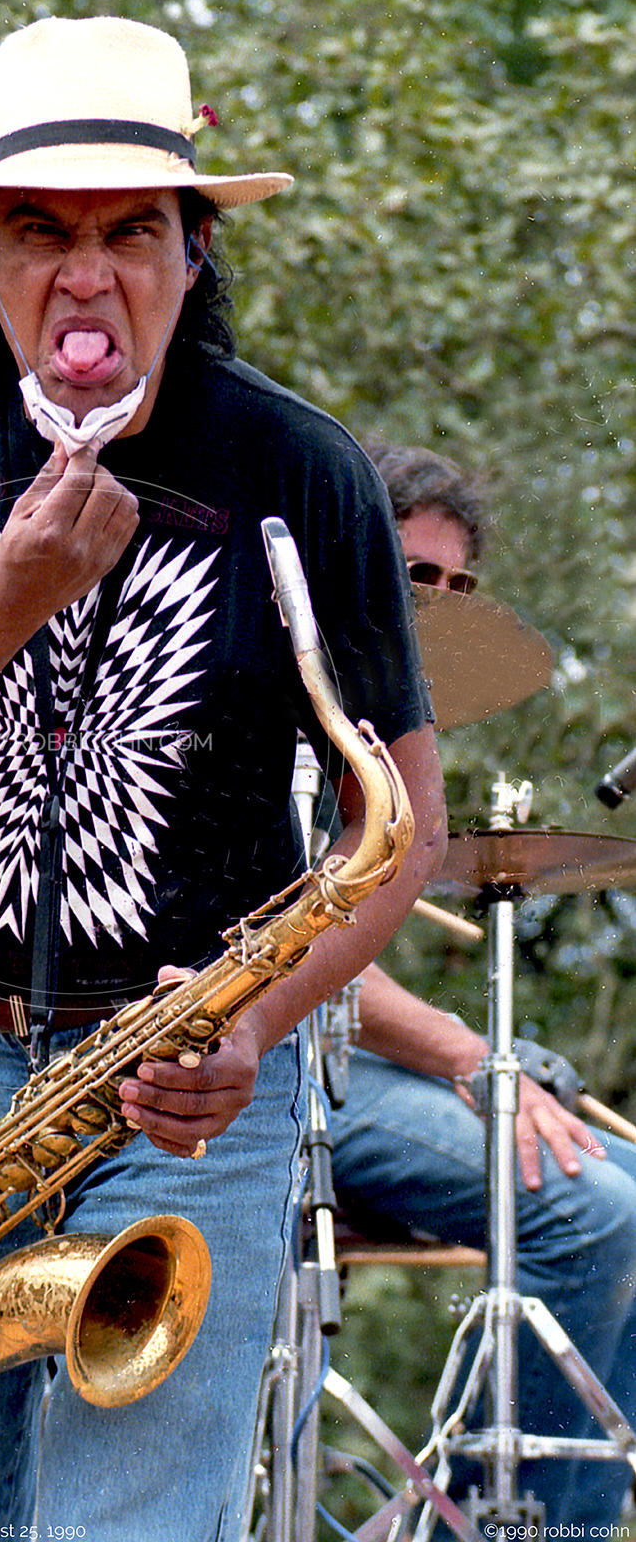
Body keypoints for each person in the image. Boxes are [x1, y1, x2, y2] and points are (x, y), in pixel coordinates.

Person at [0, 18, 446, 1542]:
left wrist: (253, 1027)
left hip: (186, 1102)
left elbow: (400, 823)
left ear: (194, 252)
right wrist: (2, 604)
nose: (86, 278)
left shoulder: (301, 470)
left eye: (130, 232)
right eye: (42, 235)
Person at [330, 440, 636, 1527]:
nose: (439, 606)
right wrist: (470, 1056)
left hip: (334, 1063)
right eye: (415, 575)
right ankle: (496, 1521)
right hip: (260, 1078)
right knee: (594, 1213)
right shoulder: (284, 708)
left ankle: (557, 1518)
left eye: (458, 586)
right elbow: (295, 965)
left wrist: (483, 1060)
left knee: (628, 1193)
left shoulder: (389, 740)